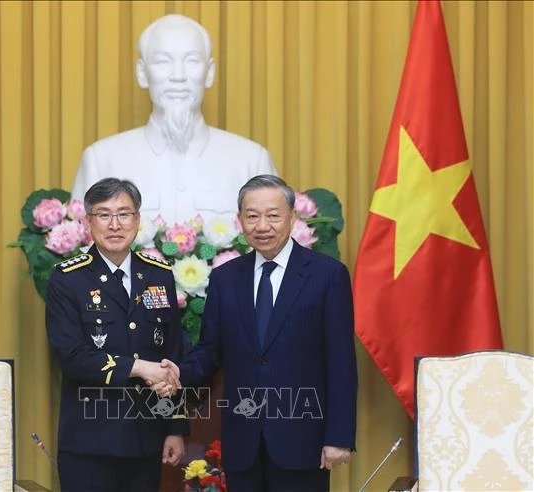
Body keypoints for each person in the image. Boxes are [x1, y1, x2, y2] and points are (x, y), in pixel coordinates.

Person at [161, 175, 358, 491]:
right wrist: (178, 372)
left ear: (292, 218)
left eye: (273, 215)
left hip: (303, 442)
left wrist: (338, 437)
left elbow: (341, 363)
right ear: (240, 221)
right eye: (252, 216)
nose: (262, 225)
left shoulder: (327, 275)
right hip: (243, 443)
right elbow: (210, 350)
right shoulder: (226, 278)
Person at [45, 178, 188, 491]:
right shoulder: (68, 280)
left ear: (137, 220)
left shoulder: (158, 274)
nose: (115, 225)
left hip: (146, 440)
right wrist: (138, 368)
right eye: (104, 215)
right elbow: (72, 358)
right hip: (90, 442)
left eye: (124, 214)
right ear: (88, 222)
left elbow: (173, 353)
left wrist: (175, 427)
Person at [71, 14, 277, 225]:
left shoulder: (251, 161)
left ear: (210, 73)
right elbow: (82, 249)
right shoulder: (101, 160)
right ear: (142, 72)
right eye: (162, 61)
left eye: (192, 61)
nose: (178, 76)